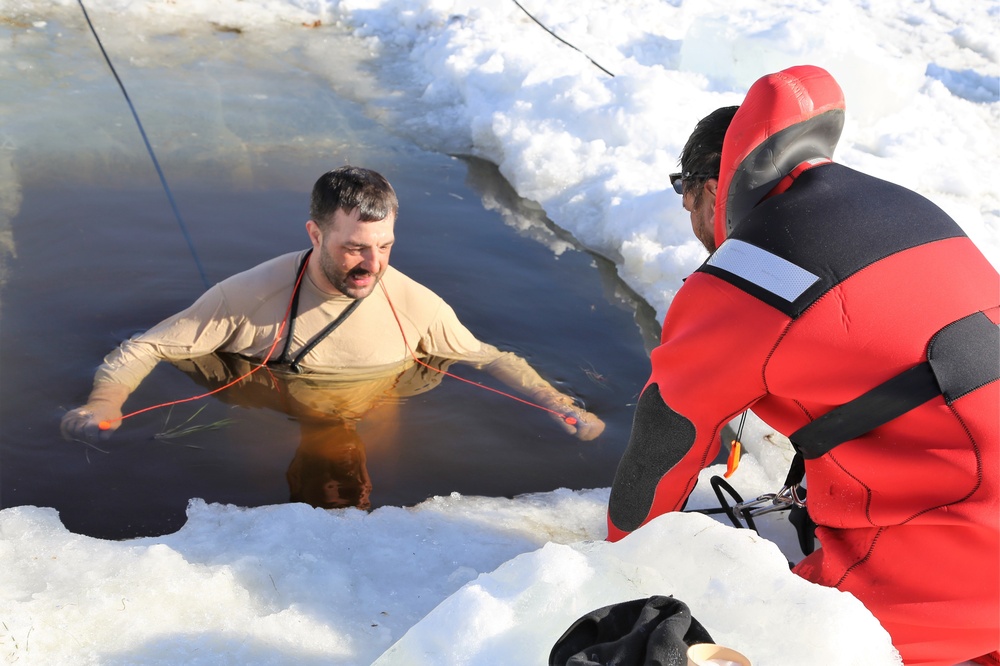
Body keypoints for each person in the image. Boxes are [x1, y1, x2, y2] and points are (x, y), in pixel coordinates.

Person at [606, 65, 998, 665]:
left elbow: (666, 433)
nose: (688, 217)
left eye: (683, 194)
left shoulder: (742, 277)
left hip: (957, 548)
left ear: (712, 188)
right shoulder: (898, 206)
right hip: (970, 476)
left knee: (771, 642)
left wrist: (616, 568)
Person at [61, 166, 604, 445]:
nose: (372, 266)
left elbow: (487, 357)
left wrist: (556, 401)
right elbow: (147, 345)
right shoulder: (249, 295)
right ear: (315, 234)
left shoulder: (415, 304)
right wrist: (104, 401)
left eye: (385, 247)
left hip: (377, 404)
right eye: (353, 248)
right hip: (271, 407)